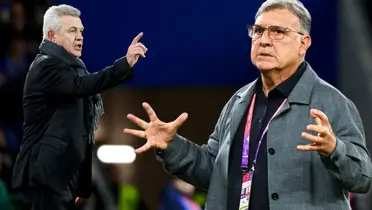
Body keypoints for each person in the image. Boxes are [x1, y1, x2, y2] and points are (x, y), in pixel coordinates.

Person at [124, 0, 372, 209]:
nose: (264, 40)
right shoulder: (239, 102)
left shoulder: (332, 102)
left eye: (278, 32)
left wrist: (334, 149)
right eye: (258, 30)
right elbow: (213, 172)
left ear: (303, 44)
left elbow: (363, 179)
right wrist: (171, 147)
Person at [11, 4, 148, 210]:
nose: (80, 36)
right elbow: (81, 86)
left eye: (81, 31)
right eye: (72, 30)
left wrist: (82, 186)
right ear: (52, 36)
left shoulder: (72, 69)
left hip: (62, 177)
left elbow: (81, 135)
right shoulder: (46, 65)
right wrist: (125, 64)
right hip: (46, 174)